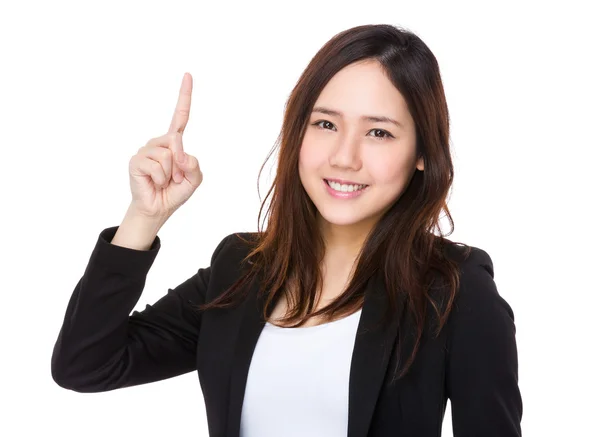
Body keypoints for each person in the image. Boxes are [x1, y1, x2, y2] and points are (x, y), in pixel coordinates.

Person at [51, 24, 522, 437]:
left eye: (379, 132)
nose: (344, 157)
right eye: (325, 124)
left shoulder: (455, 291)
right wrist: (143, 218)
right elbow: (85, 364)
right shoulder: (241, 268)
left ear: (422, 153)